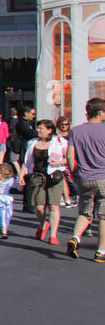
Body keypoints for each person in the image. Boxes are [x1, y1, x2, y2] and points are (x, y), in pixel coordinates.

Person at [66, 98, 105, 260]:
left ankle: (75, 237)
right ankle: (101, 251)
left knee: (85, 212)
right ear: (100, 112)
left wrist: (74, 172)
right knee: (103, 216)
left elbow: (69, 155)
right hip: (103, 176)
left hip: (84, 177)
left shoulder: (76, 131)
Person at [20, 119, 69, 244]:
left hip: (54, 176)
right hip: (38, 177)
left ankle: (53, 235)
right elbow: (27, 161)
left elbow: (69, 158)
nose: (38, 130)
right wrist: (22, 175)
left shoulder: (59, 142)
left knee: (53, 205)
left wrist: (59, 163)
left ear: (49, 130)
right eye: (38, 128)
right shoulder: (32, 142)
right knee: (40, 207)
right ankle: (43, 224)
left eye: (41, 128)